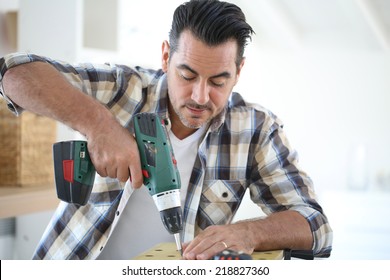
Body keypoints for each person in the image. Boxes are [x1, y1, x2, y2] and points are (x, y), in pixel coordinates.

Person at [0, 0, 332, 260]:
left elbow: (316, 225)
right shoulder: (125, 89)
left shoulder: (256, 130)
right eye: (187, 75)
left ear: (239, 71)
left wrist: (249, 233)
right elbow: (13, 73)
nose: (200, 96)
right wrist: (99, 124)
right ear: (165, 56)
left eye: (219, 81)